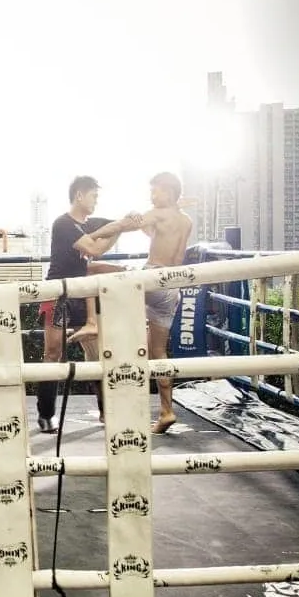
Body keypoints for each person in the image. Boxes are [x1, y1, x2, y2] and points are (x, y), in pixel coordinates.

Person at [77, 172, 192, 433]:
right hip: (171, 288)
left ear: (169, 191)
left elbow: (119, 226)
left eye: (156, 191)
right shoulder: (185, 221)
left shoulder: (157, 212)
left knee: (92, 270)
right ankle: (167, 411)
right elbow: (158, 235)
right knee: (158, 353)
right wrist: (145, 221)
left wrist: (90, 237)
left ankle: (92, 322)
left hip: (151, 278)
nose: (152, 196)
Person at [34, 176, 125, 434]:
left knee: (99, 353)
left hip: (82, 295)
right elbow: (93, 249)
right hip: (59, 296)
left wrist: (122, 225)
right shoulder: (63, 224)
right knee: (53, 354)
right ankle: (46, 415)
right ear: (79, 196)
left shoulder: (89, 224)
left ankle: (106, 413)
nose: (96, 201)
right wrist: (115, 229)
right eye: (94, 196)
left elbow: (98, 248)